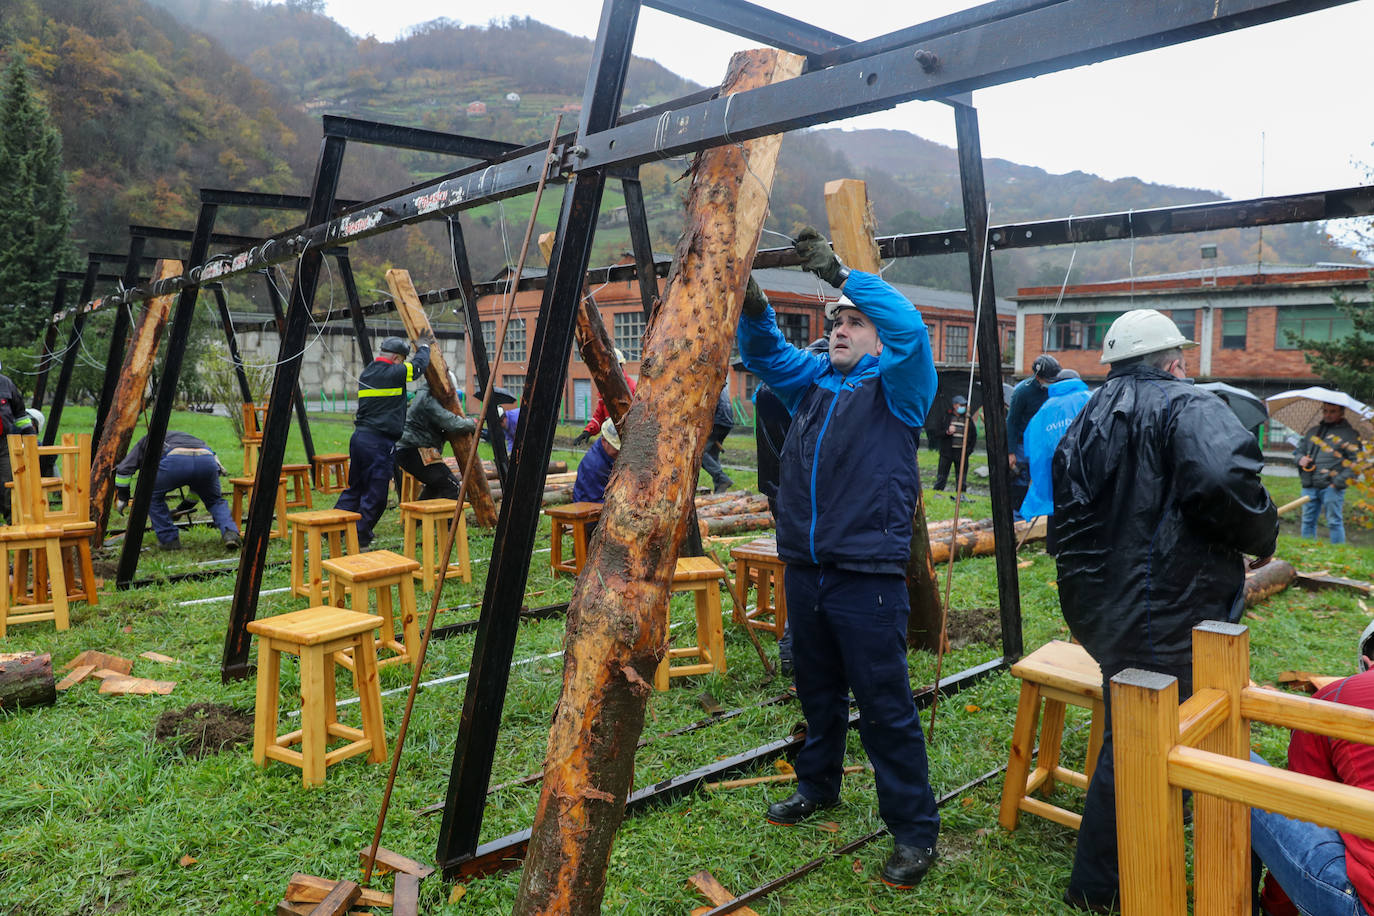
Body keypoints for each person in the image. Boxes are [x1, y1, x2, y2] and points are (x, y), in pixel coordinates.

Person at [1051, 308, 1278, 912]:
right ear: (1174, 362)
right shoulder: (1188, 404)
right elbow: (1226, 481)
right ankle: (1104, 886)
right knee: (1147, 739)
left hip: (1105, 605)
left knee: (1137, 726)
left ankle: (1114, 869)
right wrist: (1262, 535)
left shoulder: (1086, 415)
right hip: (1170, 604)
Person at [739, 226, 941, 890]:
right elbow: (768, 356)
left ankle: (913, 831)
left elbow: (909, 326)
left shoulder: (901, 386)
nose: (842, 329)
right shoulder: (817, 381)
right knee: (817, 691)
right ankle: (817, 785)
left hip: (867, 574)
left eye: (855, 323)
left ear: (877, 335)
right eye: (837, 323)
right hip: (807, 564)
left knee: (884, 704)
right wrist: (754, 308)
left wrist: (843, 276)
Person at [1250, 623, 1374, 916]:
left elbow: (1302, 807)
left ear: (1366, 662)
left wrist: (1276, 909)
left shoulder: (1337, 697)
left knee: (1233, 763)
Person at [335, 332, 432, 548]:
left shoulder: (368, 372)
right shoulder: (394, 372)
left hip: (359, 438)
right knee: (377, 493)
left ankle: (335, 526)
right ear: (397, 358)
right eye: (402, 360)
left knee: (356, 487)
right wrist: (424, 347)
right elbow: (417, 367)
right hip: (378, 442)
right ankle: (360, 537)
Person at [114, 431, 241, 551]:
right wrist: (181, 509)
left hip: (175, 461)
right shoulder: (186, 438)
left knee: (150, 496)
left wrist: (123, 497)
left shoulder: (147, 440)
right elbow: (198, 488)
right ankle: (230, 533)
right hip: (207, 460)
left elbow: (124, 470)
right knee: (214, 501)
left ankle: (169, 540)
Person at [1018, 369, 1090, 520]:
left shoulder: (1045, 409)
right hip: (1086, 470)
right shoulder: (1090, 399)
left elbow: (1031, 443)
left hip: (1056, 473)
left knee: (1058, 514)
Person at [394, 376, 476, 501]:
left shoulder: (426, 395)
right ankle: (451, 521)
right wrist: (473, 423)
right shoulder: (428, 400)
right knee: (452, 486)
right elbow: (452, 423)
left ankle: (419, 520)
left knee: (436, 486)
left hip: (410, 449)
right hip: (413, 450)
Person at [1007, 354, 1067, 511]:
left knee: (1044, 480)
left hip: (1045, 443)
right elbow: (1012, 422)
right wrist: (1010, 451)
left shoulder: (1056, 390)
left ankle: (1042, 514)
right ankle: (1017, 515)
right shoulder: (1022, 392)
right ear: (1038, 377)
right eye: (1048, 379)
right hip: (1022, 444)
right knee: (1020, 480)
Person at [1295, 402, 1362, 545]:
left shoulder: (1350, 435)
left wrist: (1336, 483)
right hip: (1310, 483)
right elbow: (1299, 451)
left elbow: (1356, 464)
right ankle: (1306, 552)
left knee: (1334, 522)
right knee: (1307, 521)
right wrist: (1300, 458)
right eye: (1325, 411)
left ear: (1341, 413)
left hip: (1332, 486)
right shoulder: (1313, 431)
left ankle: (1338, 555)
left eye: (1332, 411)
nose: (1328, 415)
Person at [572, 348, 637, 446]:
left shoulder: (632, 389)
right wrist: (588, 431)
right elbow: (599, 416)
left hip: (627, 443)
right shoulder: (606, 388)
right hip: (610, 441)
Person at [0, 362, 38, 523]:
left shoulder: (6, 384)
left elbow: (20, 412)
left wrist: (29, 432)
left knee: (8, 483)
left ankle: (13, 524)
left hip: (4, 443)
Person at [932, 395, 975, 493]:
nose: (963, 407)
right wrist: (947, 432)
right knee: (942, 475)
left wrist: (968, 450)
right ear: (955, 405)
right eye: (961, 405)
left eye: (964, 405)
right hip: (947, 452)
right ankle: (937, 492)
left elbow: (973, 436)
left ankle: (961, 494)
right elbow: (937, 433)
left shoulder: (967, 419)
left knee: (961, 477)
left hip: (962, 452)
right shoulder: (946, 417)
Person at [571, 419, 620, 504]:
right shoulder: (595, 467)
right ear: (604, 441)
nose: (619, 452)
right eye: (616, 448)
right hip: (588, 508)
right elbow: (599, 504)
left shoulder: (605, 452)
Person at [699, 388, 735, 493]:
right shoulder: (720, 383)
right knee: (712, 455)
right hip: (726, 421)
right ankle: (720, 489)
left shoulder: (707, 381)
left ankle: (722, 478)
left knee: (699, 453)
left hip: (717, 421)